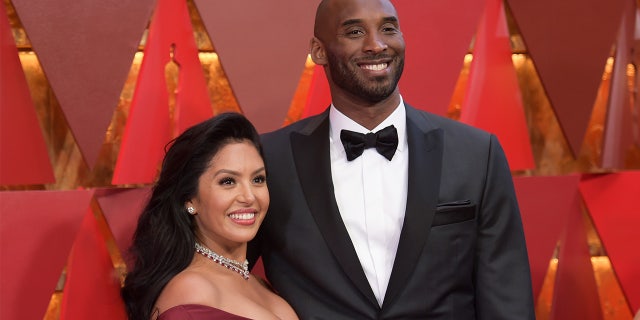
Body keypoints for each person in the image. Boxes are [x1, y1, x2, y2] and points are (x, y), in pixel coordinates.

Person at [248, 0, 535, 318]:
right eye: (355, 31)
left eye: (388, 29)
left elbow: (508, 301)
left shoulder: (477, 154)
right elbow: (221, 273)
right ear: (318, 50)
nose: (377, 45)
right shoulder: (269, 160)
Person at [121, 113, 298, 320]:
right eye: (228, 182)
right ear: (189, 199)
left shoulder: (259, 284)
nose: (250, 196)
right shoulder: (191, 290)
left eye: (258, 179)